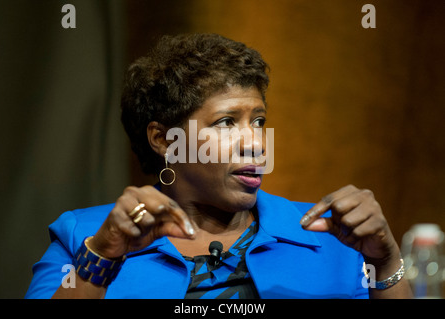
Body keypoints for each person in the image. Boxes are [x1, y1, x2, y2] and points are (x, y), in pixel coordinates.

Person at [25, 33, 412, 299]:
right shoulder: (87, 237)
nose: (256, 143)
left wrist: (386, 260)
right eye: (227, 123)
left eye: (259, 121)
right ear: (163, 139)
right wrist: (102, 257)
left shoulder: (333, 237)